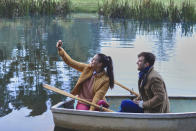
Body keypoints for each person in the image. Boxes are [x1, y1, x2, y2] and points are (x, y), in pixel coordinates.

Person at [56, 40, 114, 111]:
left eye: (94, 60)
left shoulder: (106, 79)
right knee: (82, 110)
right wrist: (61, 51)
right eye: (92, 59)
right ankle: (99, 107)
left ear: (100, 64)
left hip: (95, 102)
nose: (91, 61)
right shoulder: (87, 68)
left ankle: (101, 106)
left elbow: (97, 96)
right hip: (83, 101)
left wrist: (91, 111)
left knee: (100, 102)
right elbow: (71, 62)